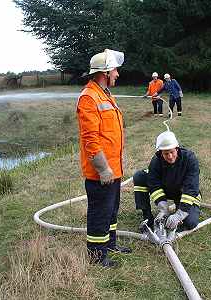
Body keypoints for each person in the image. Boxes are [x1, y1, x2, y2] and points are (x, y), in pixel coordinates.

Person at [76, 49, 132, 268]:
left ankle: (110, 244)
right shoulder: (89, 98)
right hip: (102, 172)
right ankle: (98, 257)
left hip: (113, 169)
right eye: (115, 70)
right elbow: (91, 140)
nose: (117, 74)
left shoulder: (105, 94)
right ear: (106, 72)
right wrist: (103, 169)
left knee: (111, 210)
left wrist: (112, 169)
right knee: (100, 213)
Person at [133, 131, 201, 231]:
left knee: (190, 223)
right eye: (166, 153)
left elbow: (191, 188)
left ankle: (184, 210)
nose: (170, 156)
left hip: (184, 194)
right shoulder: (156, 161)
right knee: (140, 176)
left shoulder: (189, 159)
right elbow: (154, 184)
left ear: (177, 149)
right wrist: (163, 207)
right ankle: (147, 217)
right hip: (167, 190)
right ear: (160, 153)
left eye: (172, 152)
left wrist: (180, 214)